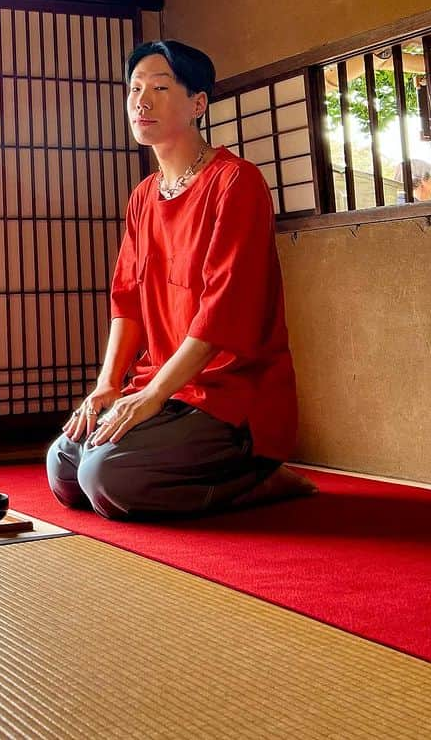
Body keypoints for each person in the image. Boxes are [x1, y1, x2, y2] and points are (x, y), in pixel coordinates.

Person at [46, 39, 314, 520]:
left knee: (105, 477)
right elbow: (126, 302)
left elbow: (222, 315)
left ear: (197, 103)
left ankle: (258, 478)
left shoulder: (236, 182)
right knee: (64, 467)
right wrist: (108, 386)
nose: (141, 101)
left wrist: (150, 397)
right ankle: (200, 466)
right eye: (134, 89)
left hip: (231, 397)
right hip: (165, 389)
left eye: (160, 88)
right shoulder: (144, 196)